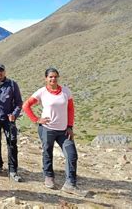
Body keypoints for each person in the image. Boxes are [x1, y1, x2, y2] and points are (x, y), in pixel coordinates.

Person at [23, 67, 87, 197]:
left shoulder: (66, 91)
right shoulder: (42, 92)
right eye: (50, 77)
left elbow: (70, 109)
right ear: (46, 78)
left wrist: (70, 126)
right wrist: (37, 119)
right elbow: (26, 106)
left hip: (64, 130)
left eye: (55, 76)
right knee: (47, 152)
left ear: (58, 77)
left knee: (72, 154)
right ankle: (48, 176)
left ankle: (70, 184)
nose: (53, 79)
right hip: (47, 129)